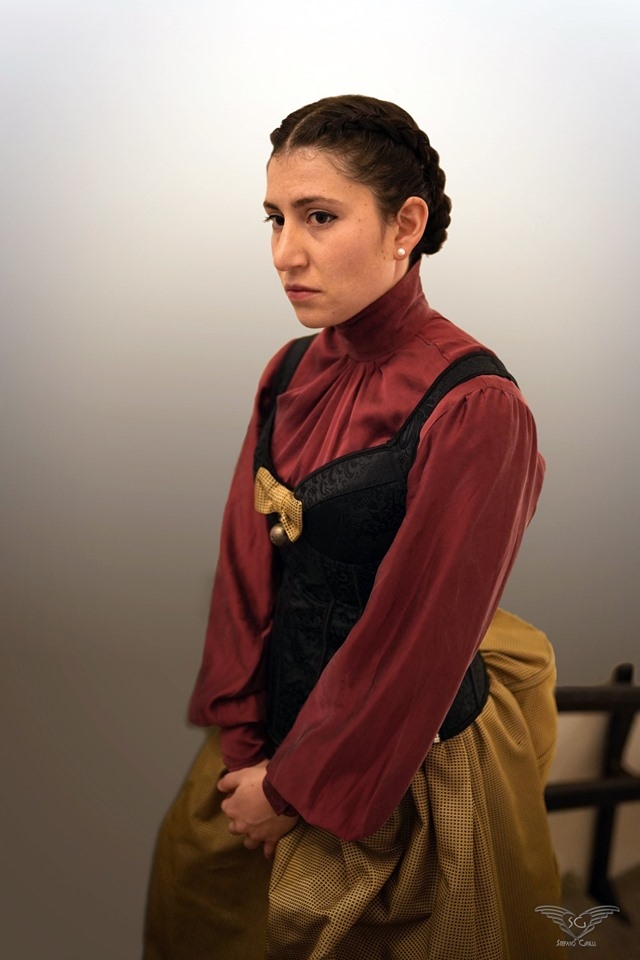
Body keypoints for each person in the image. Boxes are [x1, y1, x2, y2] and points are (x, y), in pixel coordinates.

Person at [143, 94, 561, 959]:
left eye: (320, 217)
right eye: (276, 219)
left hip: (395, 754)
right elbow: (244, 575)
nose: (285, 253)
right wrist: (244, 751)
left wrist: (290, 790)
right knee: (200, 907)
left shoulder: (478, 406)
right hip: (263, 739)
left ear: (406, 224)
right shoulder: (290, 368)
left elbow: (417, 636)